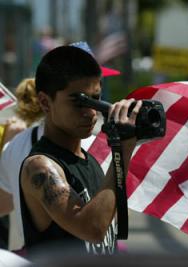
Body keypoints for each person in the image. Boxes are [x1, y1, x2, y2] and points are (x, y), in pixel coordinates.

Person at [18, 45, 141, 256]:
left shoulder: (89, 161)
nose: (91, 112)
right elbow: (92, 229)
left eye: (96, 98)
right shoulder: (40, 167)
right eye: (79, 101)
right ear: (45, 103)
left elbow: (106, 235)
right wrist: (122, 151)